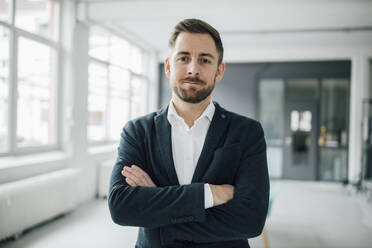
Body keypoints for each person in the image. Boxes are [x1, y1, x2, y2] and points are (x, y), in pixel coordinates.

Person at [108, 18, 269, 248]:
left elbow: (250, 220)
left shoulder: (247, 132)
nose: (193, 69)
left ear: (219, 70)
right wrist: (210, 194)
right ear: (168, 66)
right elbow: (121, 207)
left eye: (204, 60)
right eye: (184, 58)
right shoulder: (137, 131)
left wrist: (158, 208)